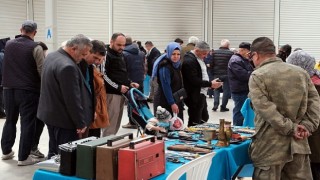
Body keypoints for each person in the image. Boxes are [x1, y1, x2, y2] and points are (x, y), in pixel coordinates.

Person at [248, 37, 320, 179]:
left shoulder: (258, 75)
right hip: (299, 145)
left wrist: (291, 128)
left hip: (270, 147)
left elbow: (266, 110)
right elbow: (315, 102)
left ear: (256, 55)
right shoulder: (301, 73)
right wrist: (307, 126)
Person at [37, 34, 93, 159]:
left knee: (54, 150)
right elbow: (72, 99)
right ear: (73, 48)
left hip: (50, 114)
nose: (84, 58)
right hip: (64, 120)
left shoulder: (51, 56)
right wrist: (80, 123)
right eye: (83, 54)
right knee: (65, 156)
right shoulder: (68, 66)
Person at [1, 20, 44, 166]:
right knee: (27, 123)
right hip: (28, 91)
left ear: (21, 29)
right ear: (35, 32)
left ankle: (6, 151)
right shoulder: (36, 47)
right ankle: (23, 157)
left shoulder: (8, 44)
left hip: (8, 89)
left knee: (10, 120)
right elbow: (41, 71)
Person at [287, 50, 320, 179]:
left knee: (314, 170)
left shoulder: (309, 85)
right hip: (313, 135)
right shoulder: (315, 78)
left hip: (313, 137)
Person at [102, 33, 139, 136]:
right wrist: (118, 87)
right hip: (111, 94)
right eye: (119, 45)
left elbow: (121, 73)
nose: (122, 47)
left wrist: (130, 83)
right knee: (110, 125)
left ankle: (111, 146)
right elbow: (103, 75)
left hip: (121, 93)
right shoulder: (106, 55)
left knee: (116, 123)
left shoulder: (120, 54)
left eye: (123, 45)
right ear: (111, 42)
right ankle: (105, 149)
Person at [182, 41, 223, 127]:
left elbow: (202, 74)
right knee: (195, 119)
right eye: (204, 54)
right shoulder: (189, 60)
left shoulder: (198, 58)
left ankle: (198, 132)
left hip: (201, 93)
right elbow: (193, 80)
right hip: (194, 94)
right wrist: (210, 84)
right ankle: (192, 136)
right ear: (197, 51)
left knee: (204, 117)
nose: (206, 56)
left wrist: (211, 83)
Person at [78, 40, 107, 137]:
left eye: (99, 59)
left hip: (90, 109)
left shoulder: (89, 66)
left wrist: (93, 109)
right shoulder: (77, 65)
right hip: (80, 112)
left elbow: (90, 90)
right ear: (88, 51)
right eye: (95, 57)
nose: (96, 61)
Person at [152, 42, 184, 119]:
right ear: (168, 53)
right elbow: (166, 86)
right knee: (165, 127)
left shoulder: (177, 65)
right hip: (164, 101)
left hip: (175, 99)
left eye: (178, 54)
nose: (176, 56)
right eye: (173, 54)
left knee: (177, 125)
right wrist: (172, 103)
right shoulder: (165, 67)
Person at [228, 42, 254, 126]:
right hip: (239, 90)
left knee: (243, 110)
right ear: (243, 50)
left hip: (243, 89)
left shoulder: (243, 59)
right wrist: (255, 73)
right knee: (239, 111)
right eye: (249, 52)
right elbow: (243, 75)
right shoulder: (236, 60)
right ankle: (237, 128)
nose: (249, 54)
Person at [122, 36, 145, 129]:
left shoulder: (124, 54)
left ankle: (132, 122)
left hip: (130, 81)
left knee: (131, 101)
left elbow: (123, 69)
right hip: (140, 80)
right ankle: (140, 120)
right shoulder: (142, 53)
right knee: (139, 101)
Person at [30, 41, 48, 159]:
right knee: (38, 122)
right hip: (38, 96)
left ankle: (32, 147)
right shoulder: (40, 64)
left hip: (31, 95)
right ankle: (33, 147)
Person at [210, 39, 234, 112]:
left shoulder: (214, 53)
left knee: (216, 89)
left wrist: (212, 73)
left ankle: (215, 105)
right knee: (226, 90)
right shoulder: (231, 53)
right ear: (228, 45)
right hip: (227, 74)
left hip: (217, 73)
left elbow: (211, 63)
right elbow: (232, 64)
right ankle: (223, 107)